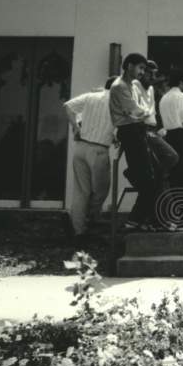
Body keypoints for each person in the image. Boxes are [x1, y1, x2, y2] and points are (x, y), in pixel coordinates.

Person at [63, 76, 116, 243]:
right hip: (99, 149)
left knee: (81, 190)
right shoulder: (116, 101)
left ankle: (79, 230)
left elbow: (68, 106)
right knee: (101, 189)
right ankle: (92, 219)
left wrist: (76, 126)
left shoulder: (91, 96)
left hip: (81, 147)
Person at [110, 54, 156, 231]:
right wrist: (144, 112)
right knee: (148, 179)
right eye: (140, 68)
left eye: (144, 69)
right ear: (129, 66)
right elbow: (136, 111)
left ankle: (142, 219)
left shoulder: (132, 86)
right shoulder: (120, 86)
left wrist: (143, 112)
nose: (142, 72)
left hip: (137, 130)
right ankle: (135, 220)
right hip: (130, 131)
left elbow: (140, 109)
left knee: (152, 175)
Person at [135, 60, 179, 227]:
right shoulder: (134, 89)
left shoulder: (152, 90)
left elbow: (153, 113)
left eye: (154, 74)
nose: (152, 77)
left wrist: (160, 128)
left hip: (153, 130)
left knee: (161, 175)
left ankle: (158, 217)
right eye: (149, 73)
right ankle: (159, 218)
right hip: (143, 131)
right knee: (169, 160)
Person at [159, 69, 183, 190]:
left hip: (169, 137)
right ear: (181, 82)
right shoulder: (181, 96)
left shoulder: (164, 98)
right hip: (181, 137)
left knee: (174, 172)